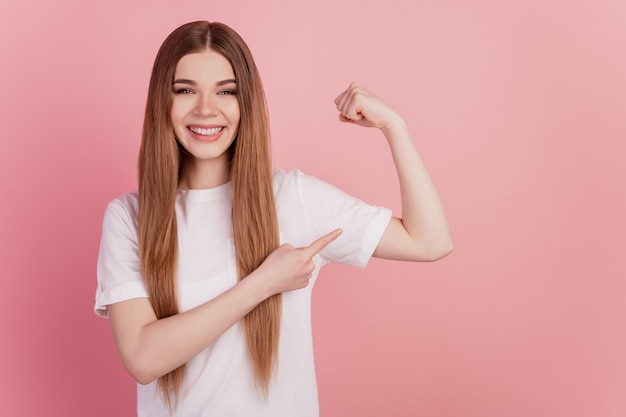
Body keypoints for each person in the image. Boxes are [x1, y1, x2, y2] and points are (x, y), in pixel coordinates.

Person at [95, 20, 453, 417]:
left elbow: (430, 241)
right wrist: (265, 282)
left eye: (226, 91)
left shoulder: (293, 198)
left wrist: (394, 127)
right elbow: (143, 358)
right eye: (185, 90)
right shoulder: (129, 217)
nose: (205, 109)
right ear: (163, 100)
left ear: (246, 101)